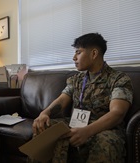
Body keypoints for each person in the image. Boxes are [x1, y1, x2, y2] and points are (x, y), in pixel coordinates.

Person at [29, 33, 133, 163]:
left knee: (105, 143)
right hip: (75, 122)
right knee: (43, 128)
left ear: (94, 54)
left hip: (105, 127)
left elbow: (117, 113)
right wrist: (44, 113)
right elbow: (62, 100)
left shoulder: (119, 79)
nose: (74, 58)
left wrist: (87, 131)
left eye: (78, 52)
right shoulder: (76, 79)